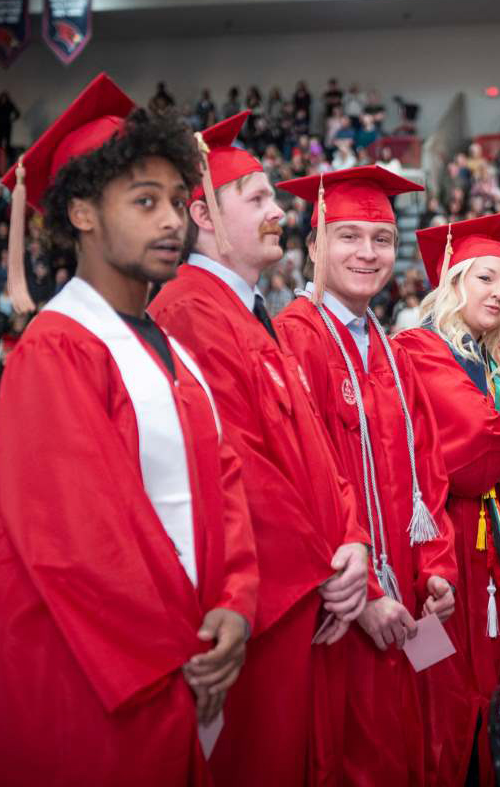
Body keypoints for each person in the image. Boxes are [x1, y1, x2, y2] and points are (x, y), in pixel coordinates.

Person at [0, 73, 259, 786]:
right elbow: (80, 542)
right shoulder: (56, 347)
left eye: (175, 200)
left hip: (181, 662)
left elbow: (222, 482)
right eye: (144, 201)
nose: (173, 221)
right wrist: (185, 648)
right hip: (99, 686)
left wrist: (235, 601)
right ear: (81, 212)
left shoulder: (168, 348)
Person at [149, 112, 372, 785]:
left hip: (308, 591)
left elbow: (315, 456)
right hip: (266, 602)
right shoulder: (189, 309)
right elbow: (236, 466)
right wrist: (325, 567)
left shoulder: (247, 310)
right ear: (205, 214)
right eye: (260, 199)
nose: (281, 212)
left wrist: (355, 542)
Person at [275, 165, 458, 787]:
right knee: (356, 758)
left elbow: (427, 474)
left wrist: (437, 569)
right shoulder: (297, 341)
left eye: (381, 239)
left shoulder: (390, 348)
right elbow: (305, 481)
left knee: (412, 743)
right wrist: (366, 600)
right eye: (348, 236)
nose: (367, 253)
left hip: (406, 598)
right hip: (347, 603)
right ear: (314, 245)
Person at [395, 213, 500, 786]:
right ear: (454, 281)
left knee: (483, 701)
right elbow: (477, 451)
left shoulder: (496, 366)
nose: (499, 293)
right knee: (440, 699)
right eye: (485, 278)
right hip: (440, 550)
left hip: (489, 554)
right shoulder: (421, 347)